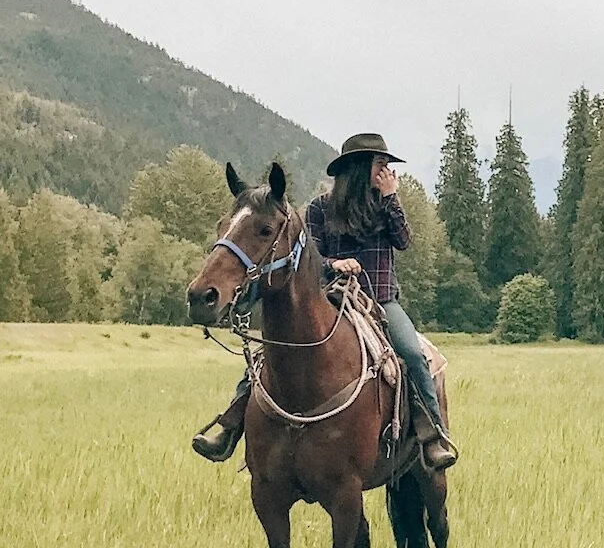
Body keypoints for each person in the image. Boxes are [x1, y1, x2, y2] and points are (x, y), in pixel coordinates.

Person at [191, 133, 457, 470]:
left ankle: (431, 435)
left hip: (380, 300)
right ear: (361, 169)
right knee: (267, 357)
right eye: (381, 164)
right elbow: (310, 257)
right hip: (329, 296)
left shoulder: (386, 204)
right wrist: (335, 264)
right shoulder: (319, 207)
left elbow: (403, 241)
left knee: (413, 355)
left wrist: (392, 199)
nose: (387, 171)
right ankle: (230, 425)